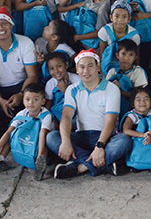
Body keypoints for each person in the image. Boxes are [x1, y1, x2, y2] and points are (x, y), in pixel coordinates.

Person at [47, 49, 132, 179]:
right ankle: (102, 164)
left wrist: (100, 146)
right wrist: (65, 141)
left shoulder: (111, 89)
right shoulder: (72, 89)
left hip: (105, 138)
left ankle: (81, 167)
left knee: (124, 141)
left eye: (90, 66)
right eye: (82, 67)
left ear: (98, 66)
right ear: (76, 69)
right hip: (81, 137)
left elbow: (110, 121)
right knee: (52, 137)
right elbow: (66, 117)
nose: (86, 71)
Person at [0, 7, 39, 128]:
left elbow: (32, 75)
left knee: (26, 106)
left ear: (11, 25)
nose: (0, 28)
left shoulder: (25, 43)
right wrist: (1, 101)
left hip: (22, 86)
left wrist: (21, 95)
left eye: (4, 23)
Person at [0, 84, 53, 178]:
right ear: (23, 101)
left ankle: (40, 166)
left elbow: (42, 134)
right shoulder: (22, 114)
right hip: (26, 139)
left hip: (39, 142)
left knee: (46, 142)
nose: (31, 102)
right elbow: (8, 132)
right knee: (13, 136)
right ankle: (0, 160)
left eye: (35, 99)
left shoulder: (46, 115)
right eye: (27, 99)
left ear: (43, 101)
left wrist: (39, 155)